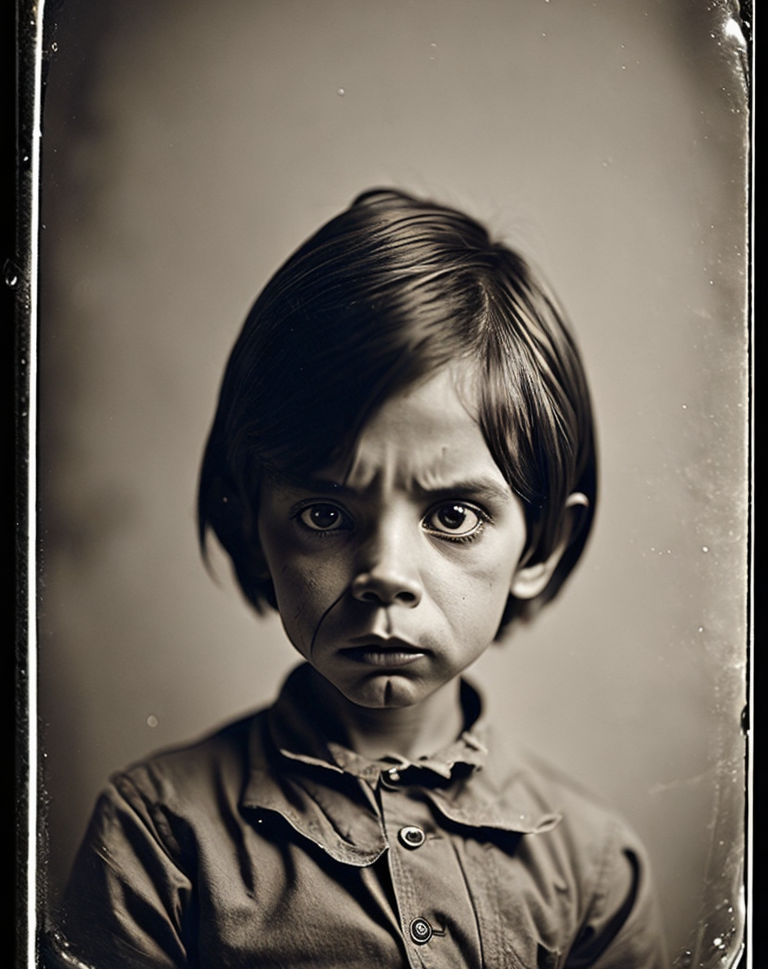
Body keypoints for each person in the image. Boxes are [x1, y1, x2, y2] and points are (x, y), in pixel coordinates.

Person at [46, 188, 666, 967]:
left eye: (453, 516)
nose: (384, 576)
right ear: (252, 525)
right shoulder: (159, 841)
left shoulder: (593, 869)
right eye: (325, 516)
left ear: (540, 546)